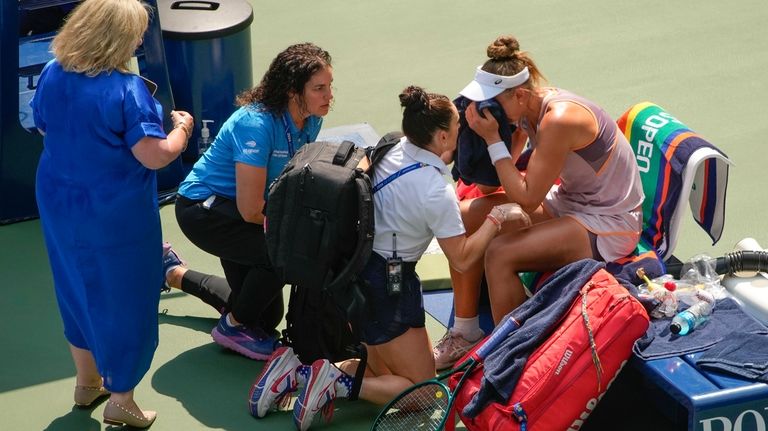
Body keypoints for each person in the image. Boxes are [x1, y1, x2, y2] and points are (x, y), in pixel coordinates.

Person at [249, 86, 531, 430]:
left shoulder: (393, 145)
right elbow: (462, 259)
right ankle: (335, 382)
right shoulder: (435, 189)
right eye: (457, 126)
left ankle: (297, 370)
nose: (461, 131)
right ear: (442, 136)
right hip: (390, 285)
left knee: (387, 372)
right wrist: (497, 218)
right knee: (426, 394)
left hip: (354, 272)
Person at [432, 34, 645, 370]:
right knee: (459, 218)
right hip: (569, 202)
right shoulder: (523, 113)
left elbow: (527, 199)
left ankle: (512, 359)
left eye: (491, 103)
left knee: (500, 253)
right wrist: (494, 141)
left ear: (519, 94)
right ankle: (466, 331)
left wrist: (492, 140)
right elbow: (493, 189)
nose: (485, 110)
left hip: (608, 222)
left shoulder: (558, 119)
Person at [31, 0, 193, 427]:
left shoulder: (51, 73)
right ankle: (121, 397)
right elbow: (154, 156)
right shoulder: (127, 90)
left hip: (59, 202)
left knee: (74, 286)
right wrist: (182, 130)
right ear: (115, 39)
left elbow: (44, 125)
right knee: (128, 297)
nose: (140, 39)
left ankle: (87, 382)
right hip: (114, 215)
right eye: (136, 32)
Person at [165, 42, 334, 360]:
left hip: (242, 210)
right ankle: (232, 327)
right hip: (205, 209)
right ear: (292, 91)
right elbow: (251, 209)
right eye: (319, 88)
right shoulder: (254, 123)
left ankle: (174, 273)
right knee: (281, 254)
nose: (328, 96)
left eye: (329, 86)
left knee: (265, 318)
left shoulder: (311, 118)